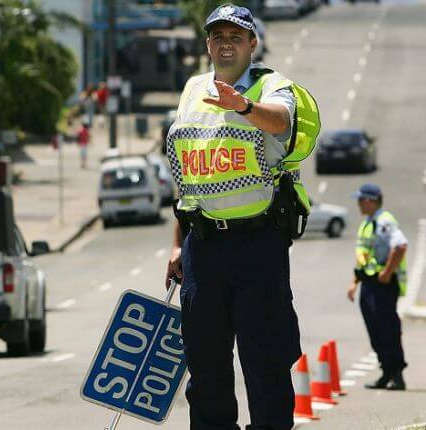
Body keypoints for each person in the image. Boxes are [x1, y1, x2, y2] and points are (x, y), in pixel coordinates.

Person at [163, 4, 320, 430]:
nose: (226, 44)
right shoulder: (193, 90)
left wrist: (245, 106)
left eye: (236, 36)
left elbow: (281, 121)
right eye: (218, 36)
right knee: (206, 366)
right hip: (203, 247)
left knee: (266, 361)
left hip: (258, 245)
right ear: (208, 44)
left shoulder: (272, 86)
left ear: (253, 43)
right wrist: (178, 243)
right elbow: (190, 175)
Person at [348, 183, 408, 390]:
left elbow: (400, 246)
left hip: (383, 285)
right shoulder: (367, 223)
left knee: (387, 329)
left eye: (360, 200)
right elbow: (363, 257)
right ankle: (386, 372)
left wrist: (387, 272)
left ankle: (397, 374)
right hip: (369, 283)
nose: (358, 204)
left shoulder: (384, 221)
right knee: (374, 329)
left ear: (369, 200)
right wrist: (354, 282)